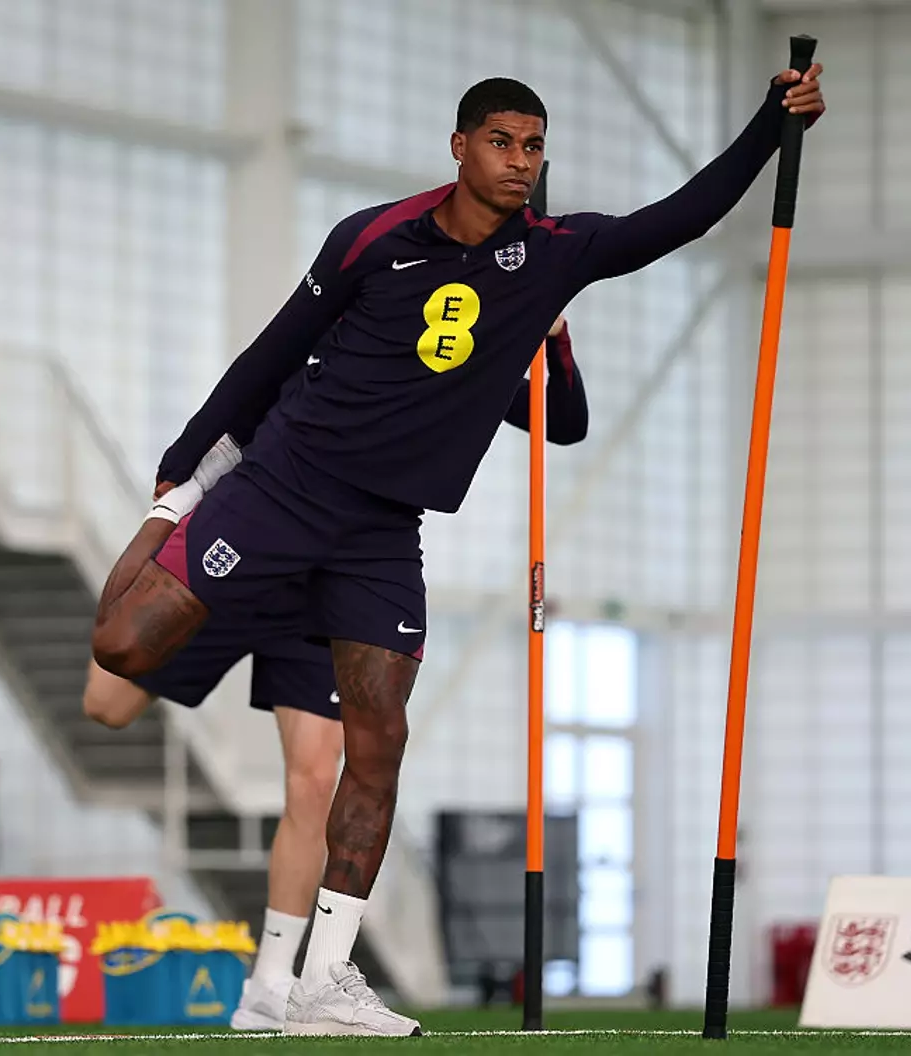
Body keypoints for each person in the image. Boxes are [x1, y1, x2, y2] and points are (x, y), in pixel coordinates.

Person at [92, 66, 825, 1037]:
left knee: (378, 743)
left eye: (533, 147)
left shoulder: (557, 254)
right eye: (502, 143)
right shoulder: (371, 237)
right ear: (460, 146)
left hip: (383, 532)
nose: (520, 163)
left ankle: (322, 981)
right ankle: (178, 518)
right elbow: (270, 355)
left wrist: (771, 125)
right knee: (122, 649)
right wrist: (186, 470)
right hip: (282, 488)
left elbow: (679, 219)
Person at [81, 314, 585, 1031]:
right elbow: (244, 402)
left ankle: (270, 984)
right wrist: (180, 498)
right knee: (106, 702)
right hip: (252, 541)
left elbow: (560, 423)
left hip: (327, 584)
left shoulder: (470, 355)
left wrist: (553, 336)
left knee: (314, 780)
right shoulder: (361, 315)